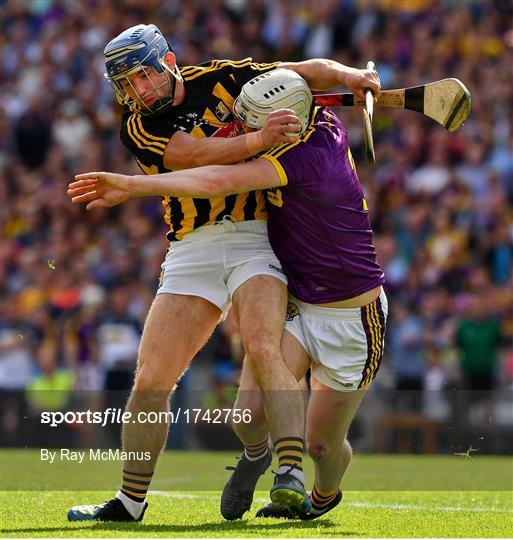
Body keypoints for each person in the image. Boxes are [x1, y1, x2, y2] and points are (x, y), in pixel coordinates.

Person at [66, 23, 381, 522]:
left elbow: (304, 73)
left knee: (262, 345)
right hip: (193, 247)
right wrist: (260, 137)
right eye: (126, 85)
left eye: (143, 77)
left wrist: (353, 74)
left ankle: (289, 473)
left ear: (168, 63)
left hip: (258, 236)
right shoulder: (137, 126)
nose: (137, 92)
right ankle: (129, 502)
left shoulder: (225, 76)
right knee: (151, 378)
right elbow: (197, 159)